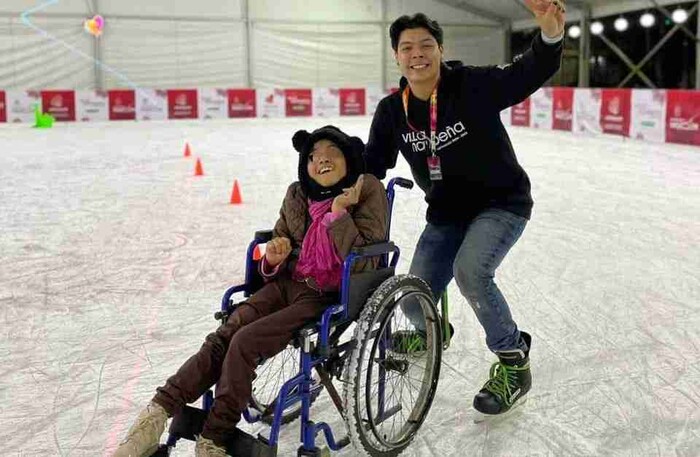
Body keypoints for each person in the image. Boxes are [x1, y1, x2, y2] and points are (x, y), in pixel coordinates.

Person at [113, 126, 388, 457]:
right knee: (225, 334)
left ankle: (214, 437)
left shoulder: (366, 188)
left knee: (244, 342)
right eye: (314, 156)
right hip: (286, 284)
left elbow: (364, 262)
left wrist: (339, 214)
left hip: (328, 294)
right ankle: (155, 416)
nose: (322, 160)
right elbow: (278, 243)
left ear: (350, 159)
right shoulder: (297, 194)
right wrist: (272, 257)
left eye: (332, 153)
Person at [363, 1, 565, 416]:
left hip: (501, 203)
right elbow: (371, 165)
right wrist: (329, 171)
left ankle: (513, 360)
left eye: (425, 45)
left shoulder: (471, 85)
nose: (417, 54)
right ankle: (434, 333)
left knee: (471, 271)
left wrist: (549, 34)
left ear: (440, 49)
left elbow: (528, 73)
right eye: (407, 48)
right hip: (446, 215)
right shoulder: (391, 111)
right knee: (413, 292)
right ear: (396, 56)